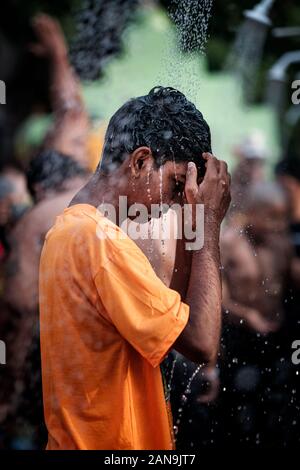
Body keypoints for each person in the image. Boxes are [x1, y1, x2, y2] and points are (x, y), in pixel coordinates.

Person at [39, 86, 231, 450]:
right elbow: (203, 342)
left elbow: (177, 315)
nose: (176, 201)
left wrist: (193, 216)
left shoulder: (73, 230)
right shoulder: (100, 243)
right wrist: (207, 224)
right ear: (141, 161)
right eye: (176, 184)